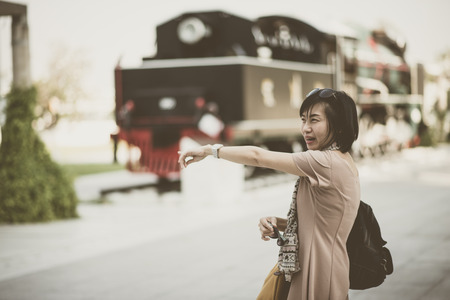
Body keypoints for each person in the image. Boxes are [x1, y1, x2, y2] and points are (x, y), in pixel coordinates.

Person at [178, 88, 360, 300]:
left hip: (319, 270)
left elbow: (258, 156)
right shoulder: (341, 160)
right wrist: (281, 223)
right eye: (303, 120)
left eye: (314, 120)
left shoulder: (325, 162)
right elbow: (324, 221)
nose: (305, 128)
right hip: (324, 265)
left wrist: (210, 150)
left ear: (338, 126)